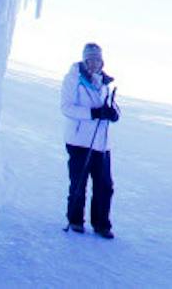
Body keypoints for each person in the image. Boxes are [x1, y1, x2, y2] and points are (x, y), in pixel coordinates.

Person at [60, 41, 119, 238]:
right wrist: (93, 113)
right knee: (79, 183)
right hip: (79, 141)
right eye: (90, 59)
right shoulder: (73, 79)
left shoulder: (105, 82)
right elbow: (66, 107)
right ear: (84, 61)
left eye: (97, 59)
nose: (94, 63)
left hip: (101, 144)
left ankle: (102, 224)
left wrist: (113, 113)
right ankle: (75, 219)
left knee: (105, 185)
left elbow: (112, 106)